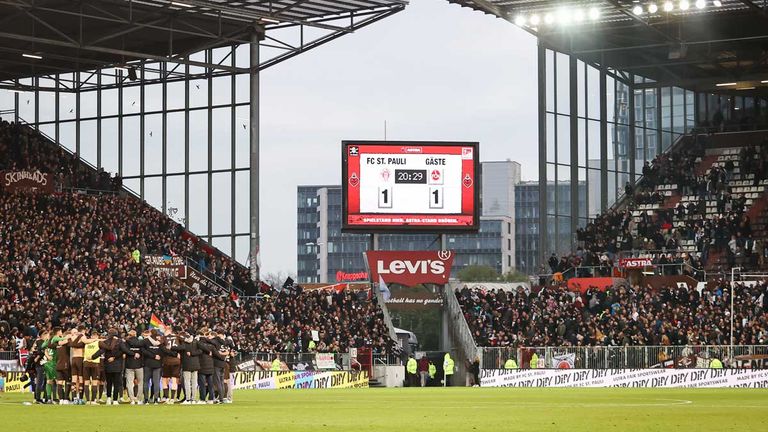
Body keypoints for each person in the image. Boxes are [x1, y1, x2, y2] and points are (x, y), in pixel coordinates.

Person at [93, 328, 132, 405]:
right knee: (116, 383)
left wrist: (92, 357)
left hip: (108, 365)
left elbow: (100, 351)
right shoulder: (120, 341)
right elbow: (124, 350)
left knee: (109, 383)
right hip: (117, 365)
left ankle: (108, 398)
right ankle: (115, 400)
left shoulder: (105, 342)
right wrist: (133, 354)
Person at [174, 332, 202, 404]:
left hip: (187, 365)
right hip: (195, 365)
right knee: (194, 382)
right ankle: (193, 399)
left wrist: (171, 347)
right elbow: (200, 351)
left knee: (187, 382)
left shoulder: (184, 343)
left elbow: (179, 348)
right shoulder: (196, 341)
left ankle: (188, 399)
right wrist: (193, 353)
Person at [141, 329, 164, 404]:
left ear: (150, 333)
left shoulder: (146, 341)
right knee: (156, 382)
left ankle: (146, 399)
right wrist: (158, 356)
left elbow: (143, 350)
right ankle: (156, 399)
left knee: (146, 382)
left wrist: (152, 356)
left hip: (148, 363)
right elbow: (163, 350)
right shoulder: (160, 341)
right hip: (157, 364)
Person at [125, 330, 145, 404]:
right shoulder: (140, 342)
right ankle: (139, 399)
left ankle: (132, 399)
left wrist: (132, 353)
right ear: (136, 334)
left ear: (129, 335)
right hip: (139, 365)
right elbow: (143, 352)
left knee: (129, 383)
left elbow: (125, 351)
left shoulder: (126, 342)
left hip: (129, 365)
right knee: (140, 383)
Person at [82, 330, 102, 405]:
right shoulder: (98, 342)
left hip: (86, 363)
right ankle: (93, 401)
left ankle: (87, 401)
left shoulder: (86, 342)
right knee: (94, 382)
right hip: (95, 364)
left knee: (86, 382)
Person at [68, 326, 86, 404]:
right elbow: (83, 344)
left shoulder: (70, 339)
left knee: (74, 379)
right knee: (81, 379)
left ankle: (75, 398)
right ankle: (80, 398)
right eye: (75, 332)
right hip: (80, 358)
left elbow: (71, 344)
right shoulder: (81, 338)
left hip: (73, 359)